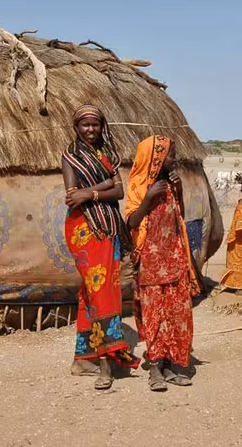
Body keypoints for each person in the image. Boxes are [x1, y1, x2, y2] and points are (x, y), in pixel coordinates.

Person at [61, 104, 140, 390]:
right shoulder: (70, 156)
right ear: (76, 127)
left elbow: (119, 192)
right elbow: (72, 198)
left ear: (101, 125)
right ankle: (106, 362)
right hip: (84, 230)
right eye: (85, 125)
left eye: (95, 124)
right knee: (100, 291)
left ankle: (86, 359)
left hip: (108, 229)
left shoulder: (106, 155)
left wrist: (91, 191)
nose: (90, 130)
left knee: (96, 292)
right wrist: (102, 186)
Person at [125, 136, 199, 392]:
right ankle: (155, 368)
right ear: (155, 157)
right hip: (150, 262)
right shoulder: (138, 184)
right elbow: (132, 222)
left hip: (174, 258)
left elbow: (180, 218)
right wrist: (148, 199)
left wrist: (177, 191)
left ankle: (172, 365)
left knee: (175, 313)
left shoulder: (170, 184)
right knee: (154, 314)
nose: (174, 159)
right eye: (170, 155)